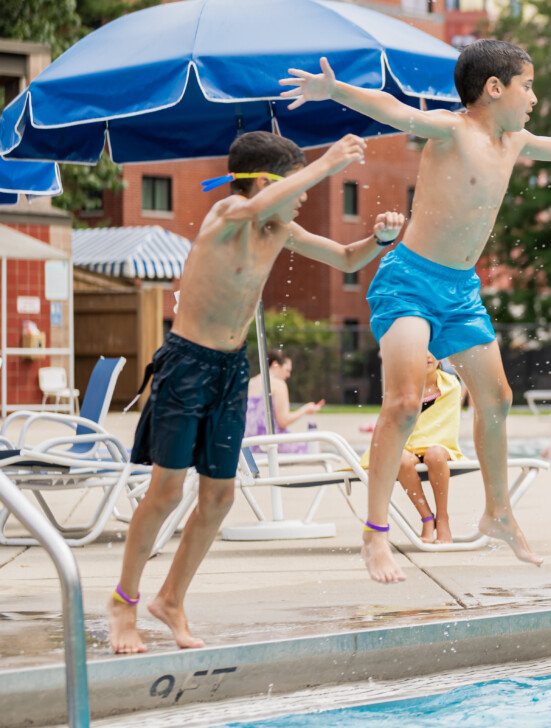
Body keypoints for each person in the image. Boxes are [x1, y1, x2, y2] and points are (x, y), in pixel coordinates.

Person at [280, 39, 551, 581]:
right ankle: (375, 536)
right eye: (528, 86)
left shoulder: (514, 141)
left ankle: (497, 514)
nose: (534, 97)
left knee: (498, 398)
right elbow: (391, 109)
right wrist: (333, 90)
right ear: (495, 88)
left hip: (461, 292)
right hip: (409, 284)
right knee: (401, 404)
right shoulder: (452, 129)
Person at [109, 131, 404, 654]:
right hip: (186, 365)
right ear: (268, 183)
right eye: (299, 184)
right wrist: (329, 162)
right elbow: (256, 203)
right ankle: (123, 604)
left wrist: (381, 240)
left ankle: (171, 599)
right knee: (165, 494)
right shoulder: (227, 212)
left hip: (228, 370)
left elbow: (346, 259)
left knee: (220, 497)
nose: (306, 196)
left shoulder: (278, 228)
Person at [359, 353, 464, 544]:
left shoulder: (451, 385)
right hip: (409, 445)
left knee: (435, 454)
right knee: (401, 459)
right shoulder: (403, 387)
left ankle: (442, 520)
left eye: (432, 349)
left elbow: (447, 426)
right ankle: (427, 518)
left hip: (439, 444)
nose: (427, 355)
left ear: (441, 356)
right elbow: (396, 424)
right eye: (420, 349)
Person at [244, 349, 324, 454]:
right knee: (315, 448)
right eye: (287, 370)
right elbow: (283, 421)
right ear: (275, 365)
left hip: (250, 443)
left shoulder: (252, 382)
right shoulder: (278, 384)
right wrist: (305, 409)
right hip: (270, 443)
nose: (288, 375)